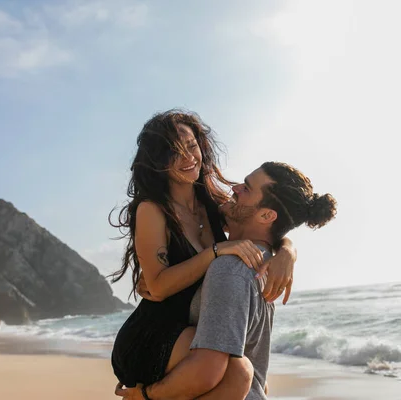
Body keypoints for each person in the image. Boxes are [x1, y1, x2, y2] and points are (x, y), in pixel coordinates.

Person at [115, 161, 337, 399]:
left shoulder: (230, 269)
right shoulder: (263, 264)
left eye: (247, 189)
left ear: (266, 215)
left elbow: (206, 370)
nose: (234, 188)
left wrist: (146, 396)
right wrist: (287, 249)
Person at [110, 111, 298, 392]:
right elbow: (158, 287)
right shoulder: (152, 210)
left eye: (191, 146)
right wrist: (215, 251)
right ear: (157, 162)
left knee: (248, 378)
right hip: (151, 334)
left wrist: (287, 251)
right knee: (238, 373)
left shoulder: (210, 202)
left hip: (193, 332)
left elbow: (258, 221)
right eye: (174, 153)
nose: (188, 158)